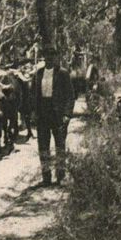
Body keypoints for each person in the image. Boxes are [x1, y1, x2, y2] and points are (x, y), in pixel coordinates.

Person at [32, 46, 75, 186]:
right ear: (44, 57)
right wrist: (33, 112)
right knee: (43, 146)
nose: (49, 58)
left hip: (58, 114)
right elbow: (34, 95)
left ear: (56, 57)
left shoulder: (63, 73)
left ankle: (61, 176)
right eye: (47, 55)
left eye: (52, 55)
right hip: (43, 113)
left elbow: (70, 96)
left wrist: (67, 114)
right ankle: (46, 177)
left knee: (60, 145)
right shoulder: (38, 74)